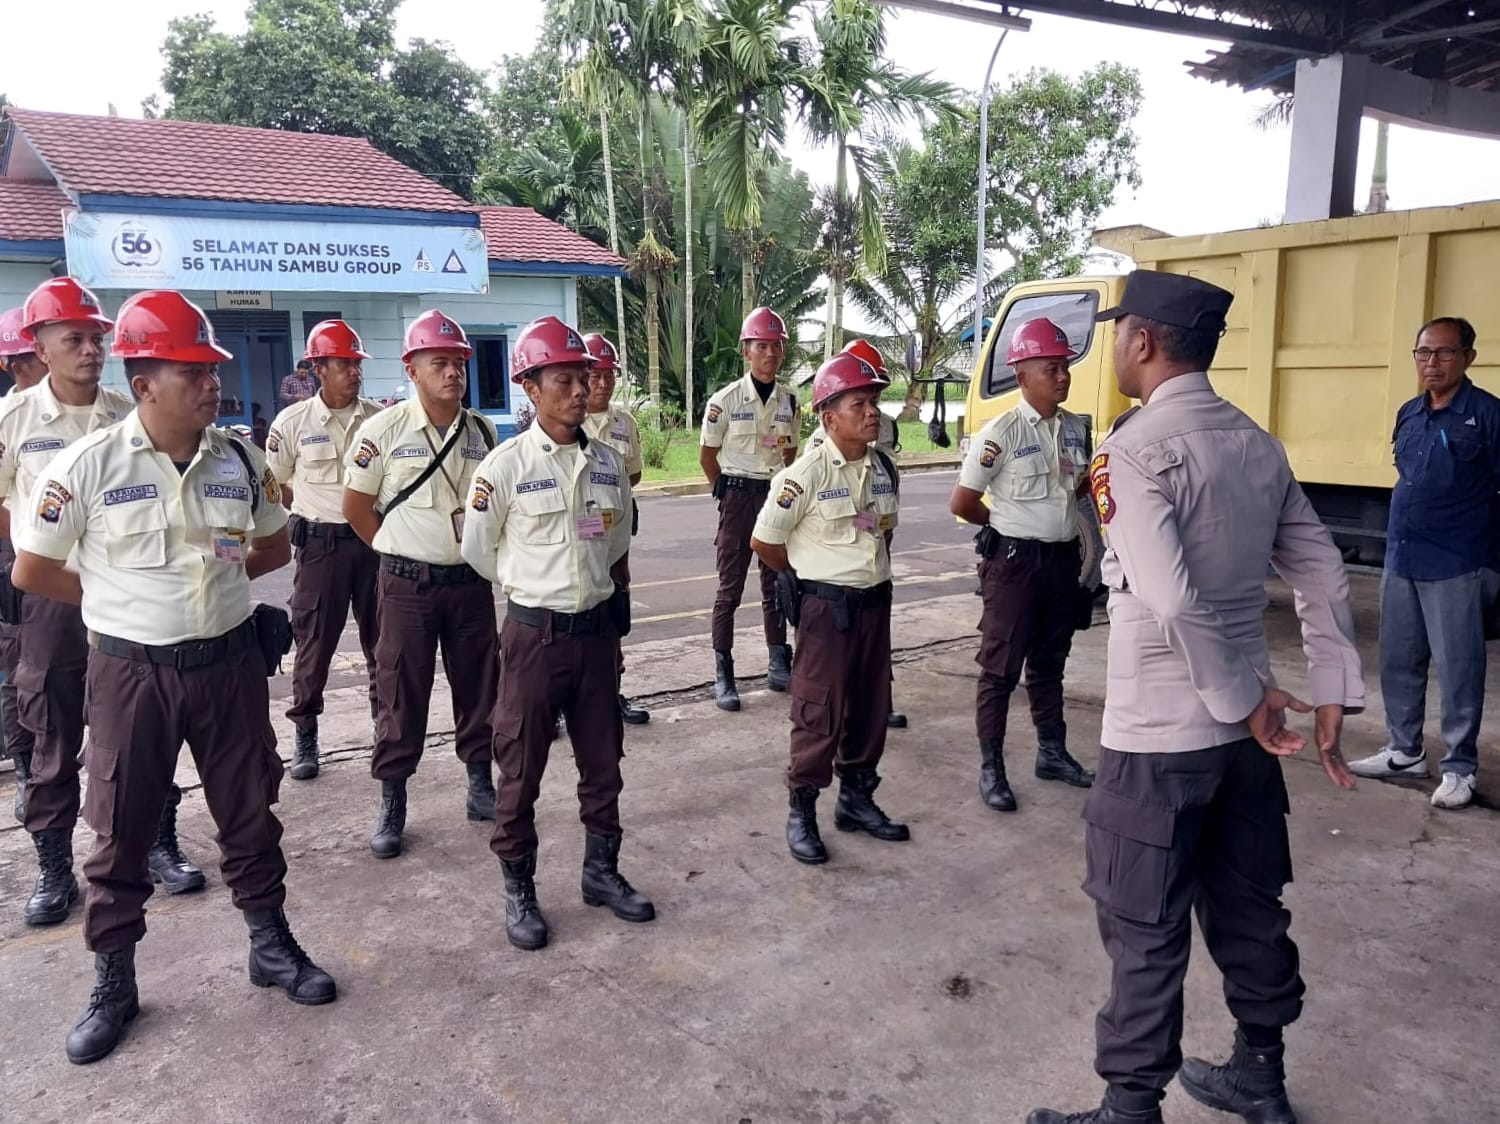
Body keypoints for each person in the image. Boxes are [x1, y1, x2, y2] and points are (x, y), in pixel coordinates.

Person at [1027, 271, 1364, 1124]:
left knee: (1143, 922)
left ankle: (1131, 1109)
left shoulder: (1131, 450)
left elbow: (1170, 597)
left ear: (1142, 342)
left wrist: (1238, 697)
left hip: (1160, 738)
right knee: (1248, 902)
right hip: (1247, 746)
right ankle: (1262, 1077)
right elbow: (1323, 569)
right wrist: (1327, 687)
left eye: (1117, 333)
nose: (1112, 348)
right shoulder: (1257, 442)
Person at [11, 289, 336, 1065]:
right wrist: (120, 603)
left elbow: (272, 545)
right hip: (131, 678)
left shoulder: (241, 459)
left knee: (251, 813)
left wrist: (212, 584)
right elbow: (32, 568)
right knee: (120, 832)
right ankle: (115, 984)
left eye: (211, 369)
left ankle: (271, 943)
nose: (211, 383)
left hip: (227, 668)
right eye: (191, 372)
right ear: (146, 380)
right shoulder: (85, 465)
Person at [0, 278, 204, 928]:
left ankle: (160, 847)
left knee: (145, 728)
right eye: (75, 339)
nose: (92, 350)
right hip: (53, 600)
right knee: (52, 732)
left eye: (97, 338)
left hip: (132, 598)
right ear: (39, 345)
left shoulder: (130, 410)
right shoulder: (12, 422)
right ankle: (56, 871)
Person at [462, 315, 653, 951]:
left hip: (597, 638)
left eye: (585, 377)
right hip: (533, 639)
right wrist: (535, 590)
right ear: (531, 387)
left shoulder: (607, 466)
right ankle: (519, 888)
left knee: (605, 760)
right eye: (564, 378)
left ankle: (601, 872)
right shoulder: (502, 468)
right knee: (520, 767)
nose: (579, 388)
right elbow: (479, 552)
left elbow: (618, 538)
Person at [342, 309, 498, 859]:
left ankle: (480, 785)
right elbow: (357, 508)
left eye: (458, 363)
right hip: (407, 585)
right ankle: (393, 799)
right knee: (400, 691)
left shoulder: (481, 431)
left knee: (480, 685)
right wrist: (396, 552)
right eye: (440, 363)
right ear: (412, 369)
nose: (453, 372)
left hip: (470, 583)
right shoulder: (380, 432)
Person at [750, 351, 907, 865]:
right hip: (828, 612)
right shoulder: (804, 475)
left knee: (869, 707)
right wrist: (800, 580)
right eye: (859, 403)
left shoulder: (882, 468)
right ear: (828, 415)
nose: (872, 412)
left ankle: (857, 801)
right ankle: (802, 810)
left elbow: (884, 535)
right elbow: (765, 542)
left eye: (875, 401)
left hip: (874, 607)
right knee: (819, 711)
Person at [1347, 317, 1500, 811]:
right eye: (1423, 353)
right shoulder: (1410, 413)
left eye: (1444, 353)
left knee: (1459, 669)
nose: (1431, 363)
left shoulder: (1488, 415)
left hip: (1459, 561)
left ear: (1469, 357)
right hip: (1404, 556)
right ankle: (1404, 751)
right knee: (1398, 660)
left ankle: (1459, 767)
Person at [949, 317, 1098, 813]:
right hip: (1013, 565)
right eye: (1051, 367)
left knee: (1050, 664)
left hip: (1060, 564)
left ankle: (1051, 753)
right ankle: (992, 767)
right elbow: (963, 502)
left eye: (1065, 367)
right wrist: (1009, 524)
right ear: (1022, 374)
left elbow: (1075, 489)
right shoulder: (1001, 434)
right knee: (999, 670)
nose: (1063, 376)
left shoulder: (1076, 428)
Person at [266, 320, 383, 780]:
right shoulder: (292, 423)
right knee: (314, 642)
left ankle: (384, 725)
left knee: (383, 640)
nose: (354, 372)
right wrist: (312, 510)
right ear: (318, 368)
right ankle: (307, 736)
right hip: (320, 547)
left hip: (372, 544)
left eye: (356, 363)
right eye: (344, 363)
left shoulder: (378, 420)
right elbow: (274, 484)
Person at [700, 306, 801, 711]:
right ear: (746, 351)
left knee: (775, 582)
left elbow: (790, 455)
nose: (770, 354)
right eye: (762, 346)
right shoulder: (724, 401)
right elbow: (708, 458)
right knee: (730, 588)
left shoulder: (790, 399)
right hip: (738, 496)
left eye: (776, 347)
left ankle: (779, 662)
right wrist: (725, 496)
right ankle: (724, 672)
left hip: (774, 494)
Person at [806, 338, 908, 729]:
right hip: (837, 563)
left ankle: (880, 700)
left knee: (876, 636)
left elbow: (886, 473)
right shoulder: (821, 445)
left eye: (877, 394)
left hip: (875, 533)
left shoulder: (885, 425)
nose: (872, 405)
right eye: (864, 396)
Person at [580, 331, 650, 726]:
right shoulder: (568, 418)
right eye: (596, 374)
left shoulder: (624, 423)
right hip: (573, 529)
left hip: (615, 528)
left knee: (614, 602)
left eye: (610, 375)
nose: (603, 383)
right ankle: (559, 703)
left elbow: (634, 474)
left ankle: (612, 690)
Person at [0, 306, 46, 821]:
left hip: (98, 576)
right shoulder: (10, 423)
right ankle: (27, 776)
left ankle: (157, 839)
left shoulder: (108, 414)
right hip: (25, 571)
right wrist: (30, 545)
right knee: (26, 684)